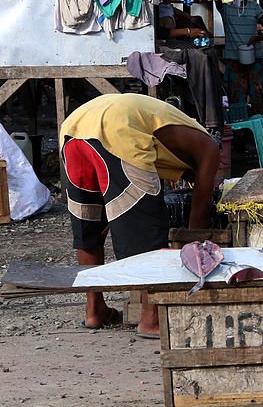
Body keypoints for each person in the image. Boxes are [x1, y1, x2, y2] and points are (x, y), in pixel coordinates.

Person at [60, 93, 220, 339]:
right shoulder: (209, 148)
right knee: (147, 233)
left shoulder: (175, 129)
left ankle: (94, 310)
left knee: (90, 225)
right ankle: (151, 318)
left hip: (74, 128)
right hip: (119, 127)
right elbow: (197, 222)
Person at [217, 0, 263, 113]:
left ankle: (260, 131)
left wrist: (257, 38)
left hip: (256, 60)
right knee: (237, 101)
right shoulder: (227, 8)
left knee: (259, 98)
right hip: (234, 62)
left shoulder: (255, 7)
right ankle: (241, 133)